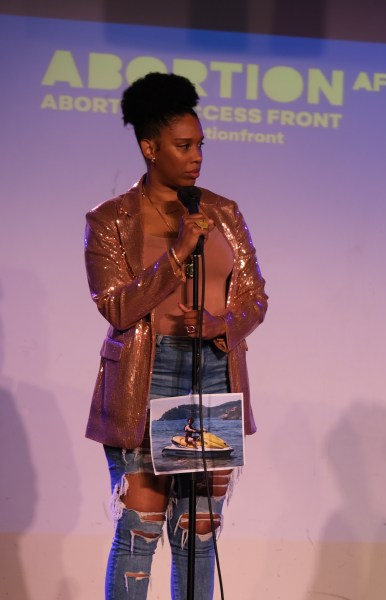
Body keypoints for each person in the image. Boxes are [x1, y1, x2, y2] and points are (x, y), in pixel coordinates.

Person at [84, 72, 268, 599]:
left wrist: (222, 325)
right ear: (149, 147)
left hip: (211, 369)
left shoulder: (223, 212)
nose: (196, 157)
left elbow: (255, 298)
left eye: (200, 146)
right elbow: (116, 306)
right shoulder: (110, 220)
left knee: (197, 532)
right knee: (141, 529)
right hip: (147, 375)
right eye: (183, 146)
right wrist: (177, 256)